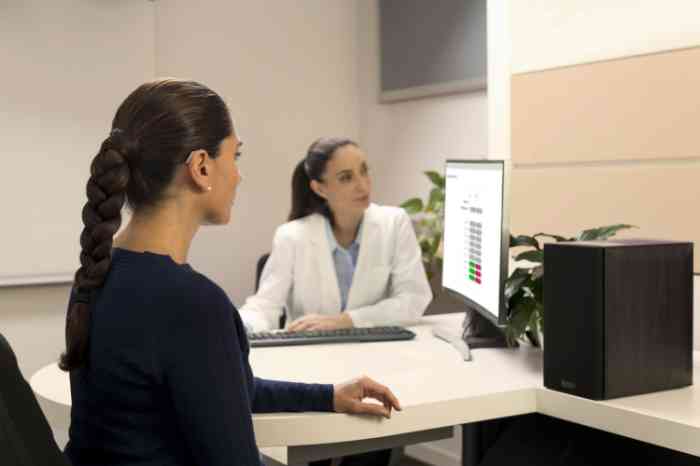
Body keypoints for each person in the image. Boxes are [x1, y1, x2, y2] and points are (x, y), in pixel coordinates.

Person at [60, 79, 401, 466]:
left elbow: (217, 390)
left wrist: (325, 396)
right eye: (235, 156)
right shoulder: (192, 304)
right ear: (202, 167)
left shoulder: (98, 271)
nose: (238, 175)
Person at [240, 137, 432, 333]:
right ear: (319, 188)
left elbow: (413, 298)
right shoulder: (291, 236)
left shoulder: (394, 223)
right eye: (346, 177)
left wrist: (347, 320)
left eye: (364, 171)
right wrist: (239, 327)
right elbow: (264, 306)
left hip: (376, 349)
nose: (362, 185)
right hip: (312, 353)